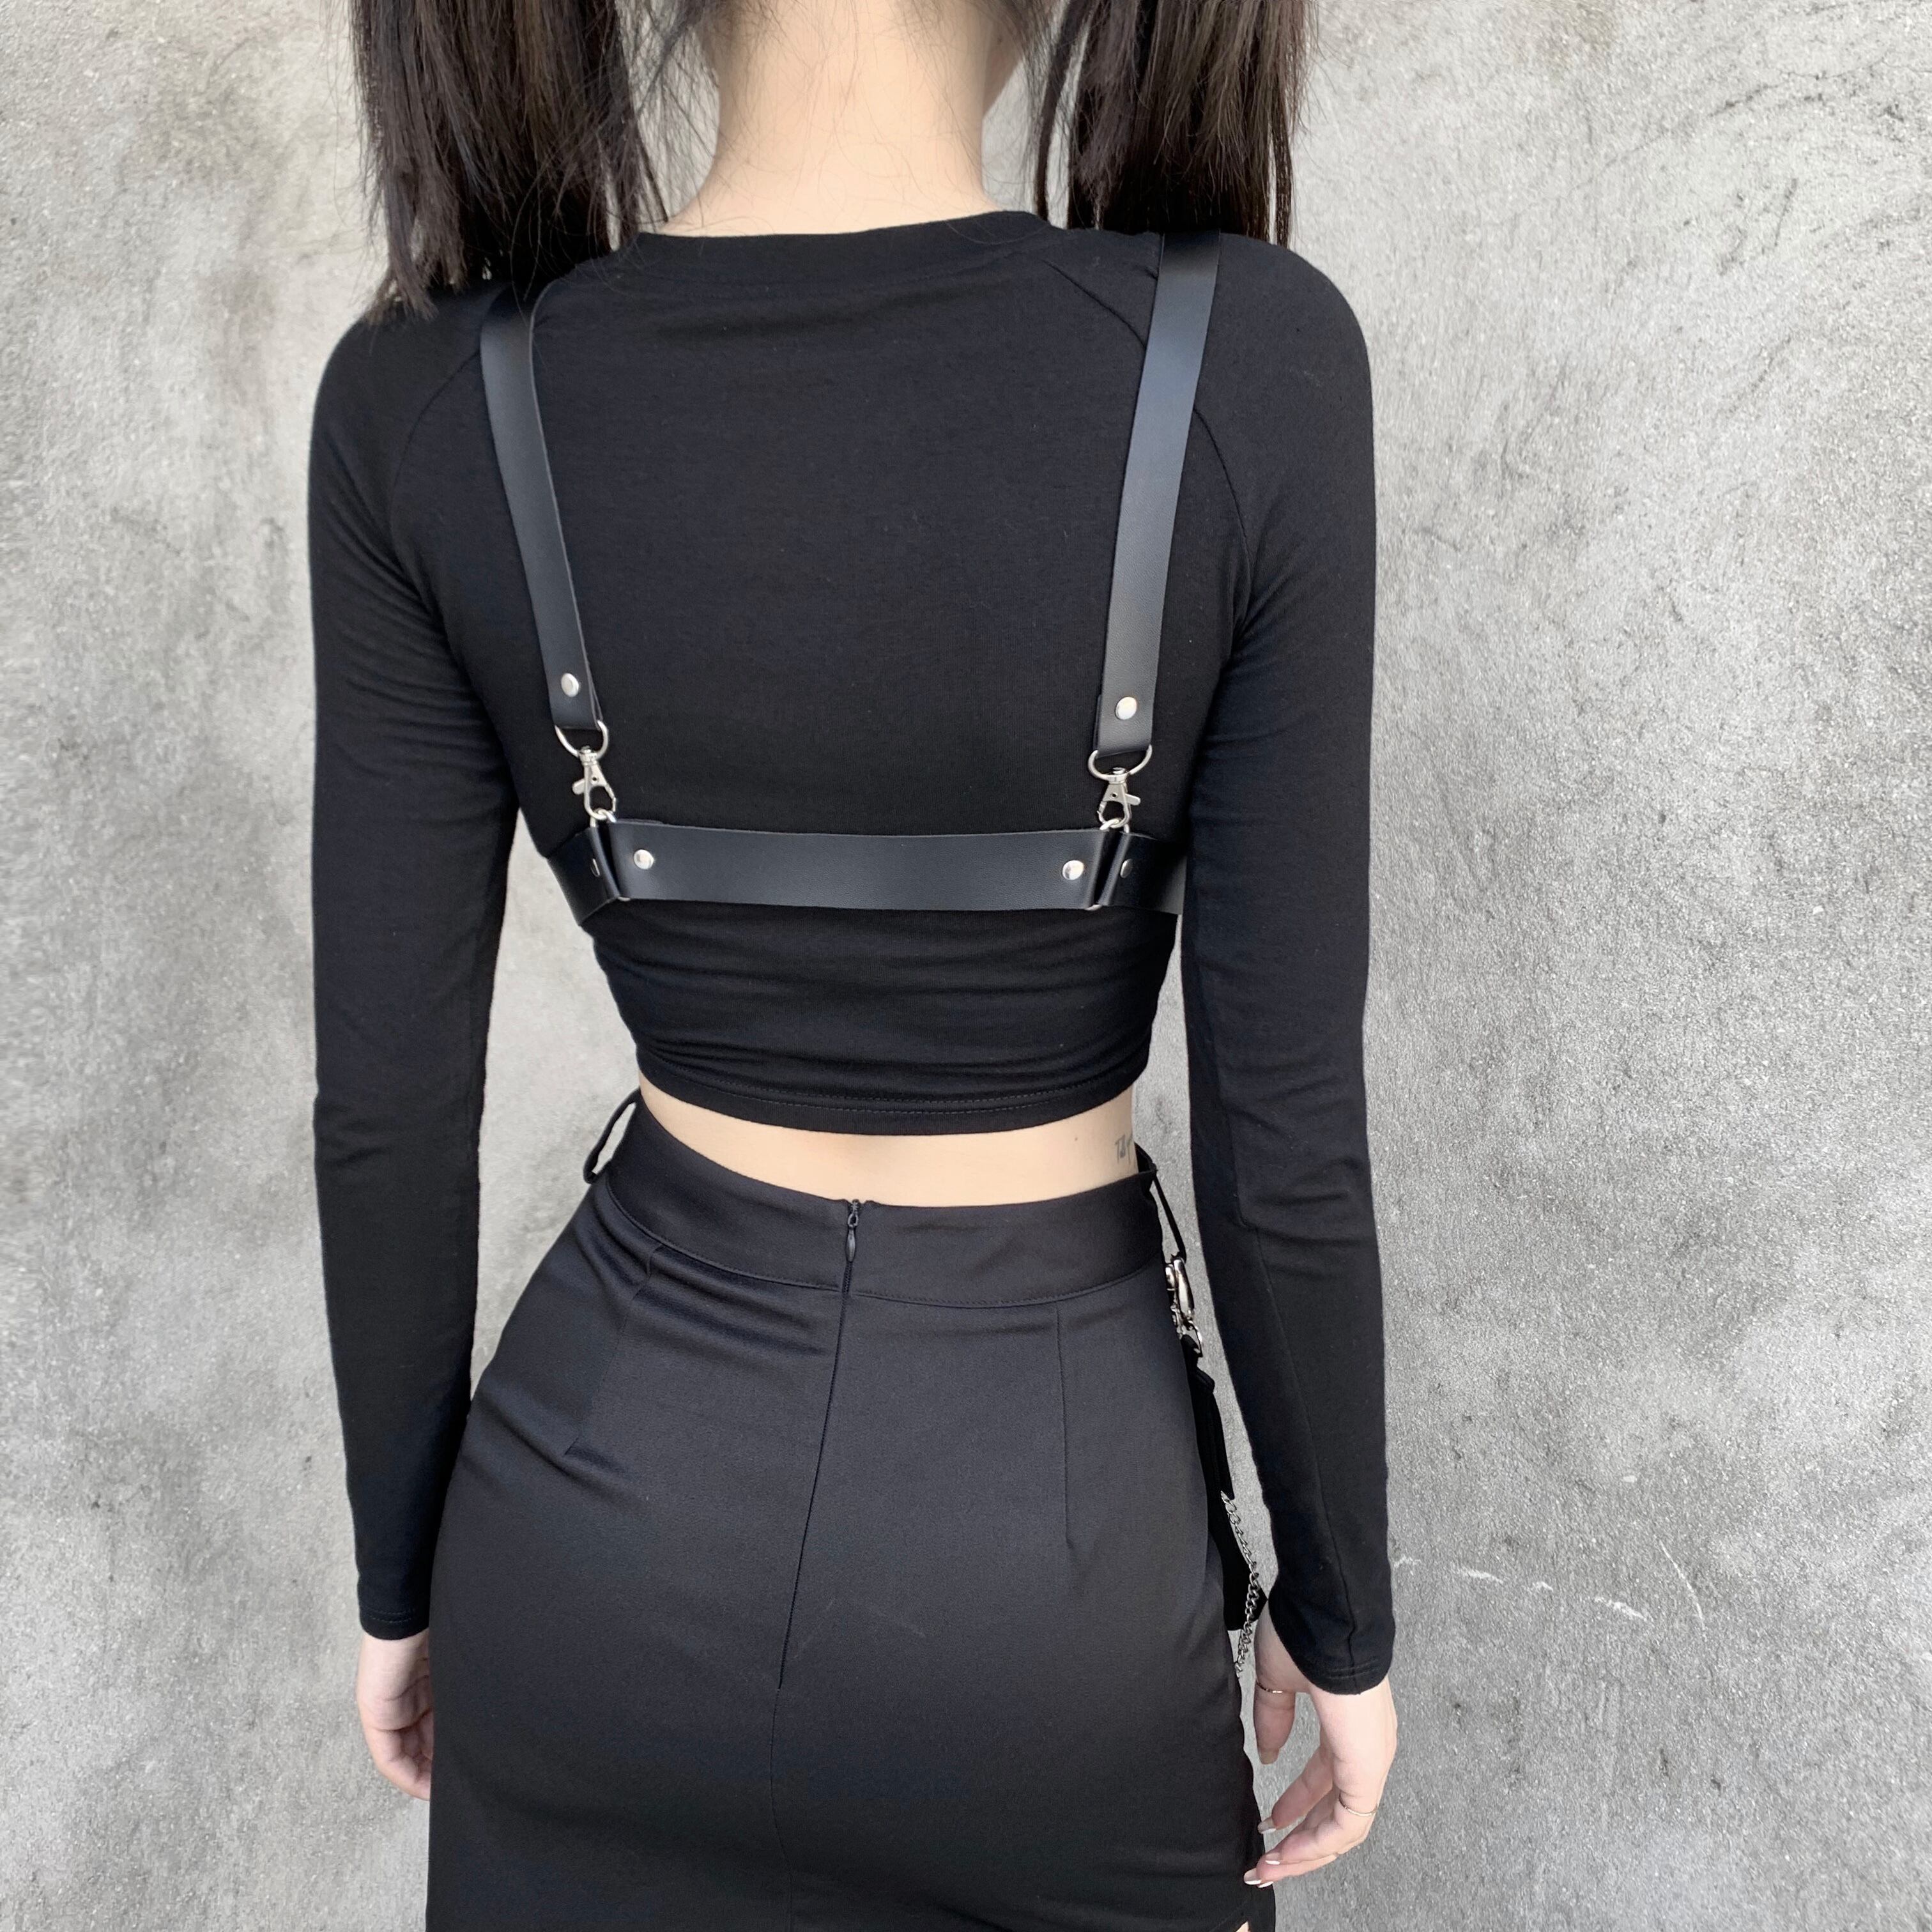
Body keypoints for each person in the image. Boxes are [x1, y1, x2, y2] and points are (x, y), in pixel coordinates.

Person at [309, 0, 1399, 1922]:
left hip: (591, 1536)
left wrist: (404, 1577)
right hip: (1044, 1568)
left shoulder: (420, 397)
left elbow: (387, 1111)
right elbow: (1286, 1137)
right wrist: (1340, 1613)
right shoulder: (1255, 358)